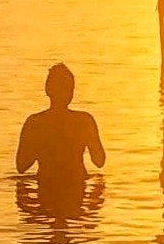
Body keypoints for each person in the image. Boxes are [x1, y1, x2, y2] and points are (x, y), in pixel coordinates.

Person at [15, 61, 105, 212]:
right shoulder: (84, 121)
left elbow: (21, 166)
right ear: (72, 92)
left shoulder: (35, 123)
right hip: (76, 190)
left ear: (47, 90)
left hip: (46, 190)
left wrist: (41, 145)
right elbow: (99, 161)